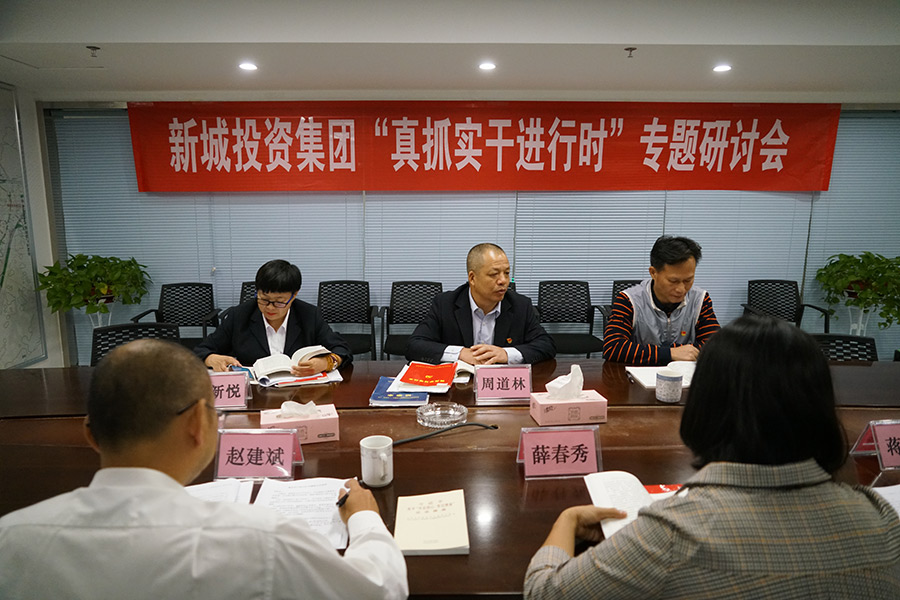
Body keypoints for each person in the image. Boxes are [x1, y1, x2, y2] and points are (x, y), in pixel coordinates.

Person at [524, 315, 900, 599]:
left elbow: (544, 591)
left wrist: (568, 520)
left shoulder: (675, 533)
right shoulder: (881, 517)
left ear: (706, 405)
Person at [0, 339, 408, 600]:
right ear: (198, 421)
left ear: (91, 434)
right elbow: (381, 589)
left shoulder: (11, 538)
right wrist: (365, 519)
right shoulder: (260, 539)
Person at [406, 243, 555, 365]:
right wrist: (460, 353)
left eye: (507, 273)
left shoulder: (520, 305)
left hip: (500, 384)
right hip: (460, 385)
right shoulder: (445, 304)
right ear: (472, 278)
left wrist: (506, 354)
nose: (503, 281)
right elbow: (415, 346)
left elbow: (547, 345)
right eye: (494, 274)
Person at [195, 259, 352, 375]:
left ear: (294, 295)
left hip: (300, 392)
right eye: (264, 300)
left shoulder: (309, 315)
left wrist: (325, 363)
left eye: (279, 302)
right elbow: (200, 350)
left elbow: (342, 349)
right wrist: (211, 359)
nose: (270, 307)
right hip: (256, 393)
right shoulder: (239, 315)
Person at [603, 235, 719, 365]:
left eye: (688, 280)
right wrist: (670, 353)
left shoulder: (700, 300)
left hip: (684, 374)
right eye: (673, 281)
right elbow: (612, 347)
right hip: (640, 373)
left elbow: (716, 346)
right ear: (653, 273)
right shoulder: (629, 300)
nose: (681, 289)